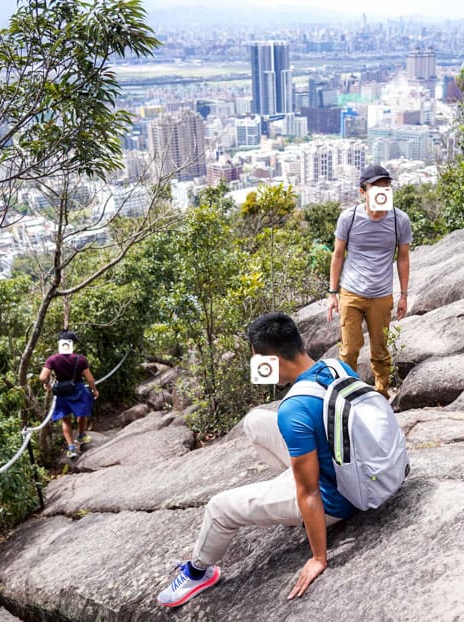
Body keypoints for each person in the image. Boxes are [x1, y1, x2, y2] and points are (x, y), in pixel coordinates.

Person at [157, 313, 359, 607]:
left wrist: (319, 558)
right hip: (348, 466)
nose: (257, 368)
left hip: (333, 499)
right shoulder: (335, 367)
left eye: (258, 360)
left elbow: (310, 491)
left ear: (273, 359)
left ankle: (199, 572)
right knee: (254, 422)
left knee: (219, 508)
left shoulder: (296, 408)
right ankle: (292, 484)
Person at [327, 163, 412, 398]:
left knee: (380, 350)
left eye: (386, 186)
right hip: (351, 291)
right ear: (362, 191)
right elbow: (338, 255)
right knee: (350, 349)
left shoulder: (399, 220)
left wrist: (404, 295)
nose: (382, 190)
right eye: (375, 186)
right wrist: (332, 293)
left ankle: (382, 394)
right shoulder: (349, 218)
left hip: (381, 294)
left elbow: (403, 258)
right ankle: (347, 396)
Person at [39, 330, 99, 459]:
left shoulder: (52, 359)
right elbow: (89, 379)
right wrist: (94, 389)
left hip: (62, 391)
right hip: (78, 389)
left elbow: (42, 377)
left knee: (66, 419)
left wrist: (48, 384)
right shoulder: (80, 359)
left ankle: (71, 447)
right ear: (71, 344)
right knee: (82, 414)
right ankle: (82, 435)